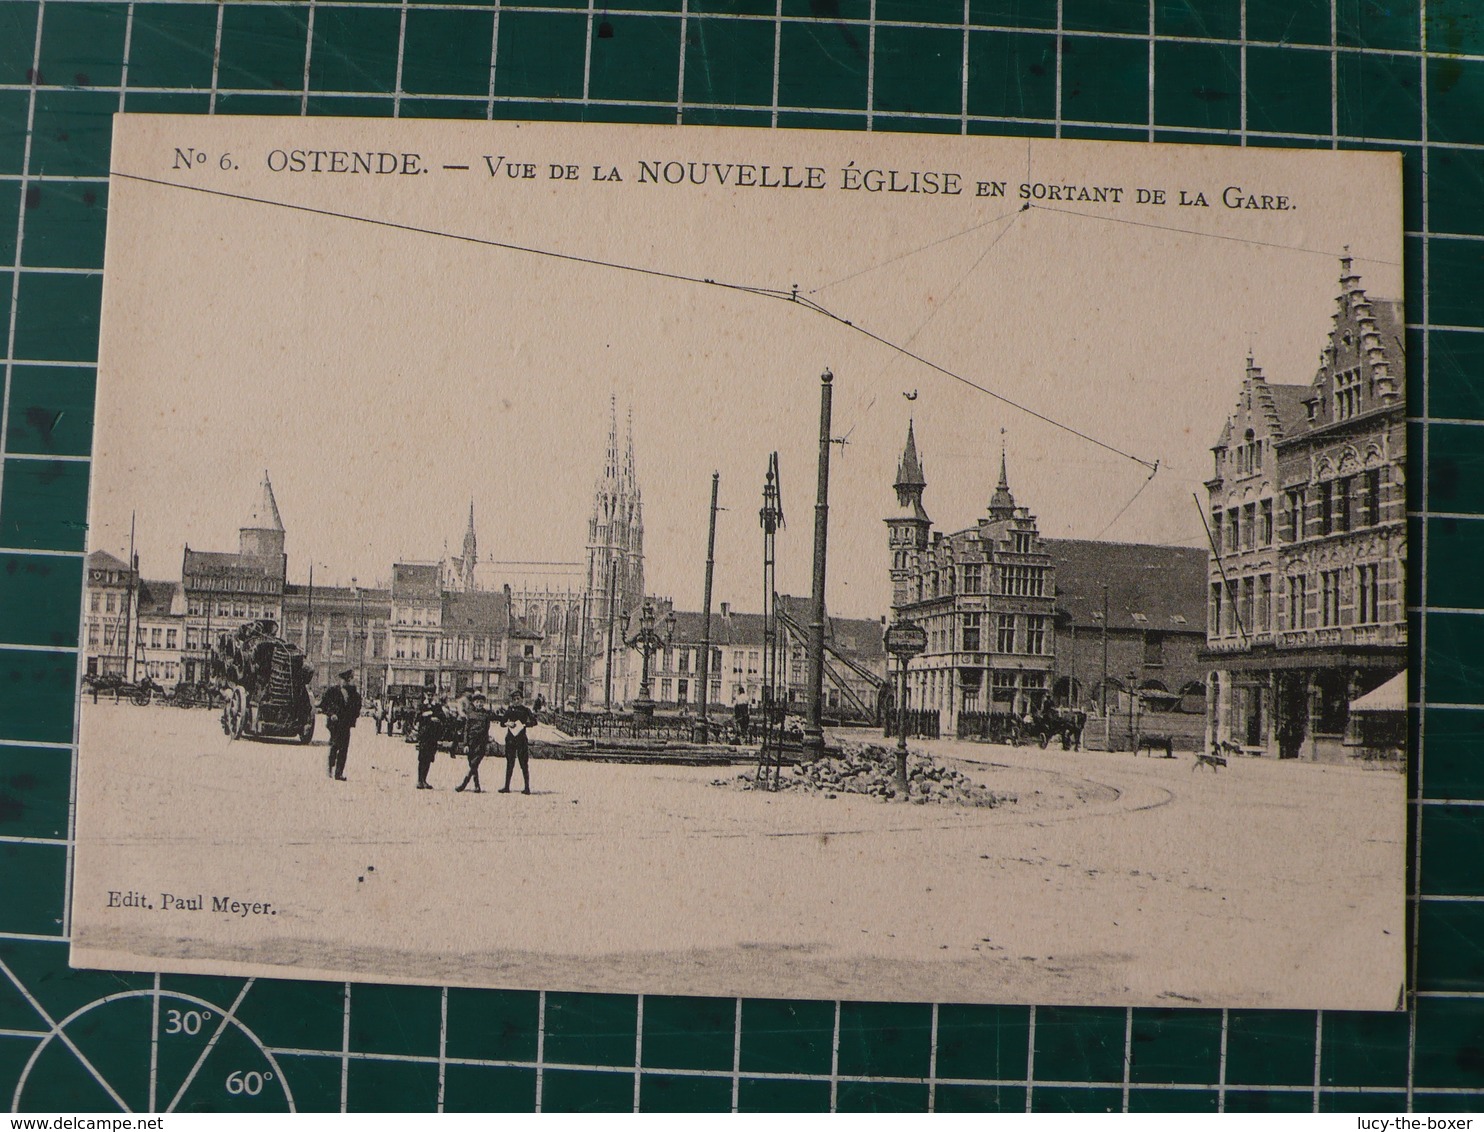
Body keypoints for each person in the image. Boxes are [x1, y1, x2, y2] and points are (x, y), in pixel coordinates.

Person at [320, 668, 362, 781]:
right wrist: (331, 714)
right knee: (334, 746)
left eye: (349, 680)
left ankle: (339, 773)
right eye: (345, 680)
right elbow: (323, 705)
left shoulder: (354, 694)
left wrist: (353, 717)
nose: (346, 682)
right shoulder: (332, 691)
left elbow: (357, 707)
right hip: (334, 724)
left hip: (345, 724)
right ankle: (330, 767)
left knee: (344, 749)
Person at [455, 692, 493, 793]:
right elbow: (466, 730)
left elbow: (487, 729)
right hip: (471, 743)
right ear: (473, 703)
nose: (479, 704)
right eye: (477, 702)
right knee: (473, 765)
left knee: (474, 764)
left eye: (481, 702)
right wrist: (465, 744)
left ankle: (463, 784)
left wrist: (488, 741)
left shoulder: (486, 714)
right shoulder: (470, 714)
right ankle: (477, 786)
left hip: (481, 743)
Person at [499, 695, 537, 794]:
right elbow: (502, 723)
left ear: (522, 700)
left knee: (524, 763)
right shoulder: (509, 710)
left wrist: (525, 724)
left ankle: (527, 787)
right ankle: (506, 787)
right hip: (510, 739)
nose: (516, 701)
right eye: (514, 699)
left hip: (522, 739)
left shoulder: (526, 710)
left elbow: (534, 721)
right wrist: (508, 724)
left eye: (518, 699)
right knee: (509, 763)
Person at [414, 693, 443, 790]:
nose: (430, 697)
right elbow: (417, 718)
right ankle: (419, 780)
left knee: (429, 757)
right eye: (428, 694)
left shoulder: (437, 706)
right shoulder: (421, 705)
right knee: (422, 757)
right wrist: (429, 716)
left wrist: (433, 716)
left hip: (433, 735)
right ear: (425, 695)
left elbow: (442, 716)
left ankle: (424, 780)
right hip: (424, 735)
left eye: (432, 695)